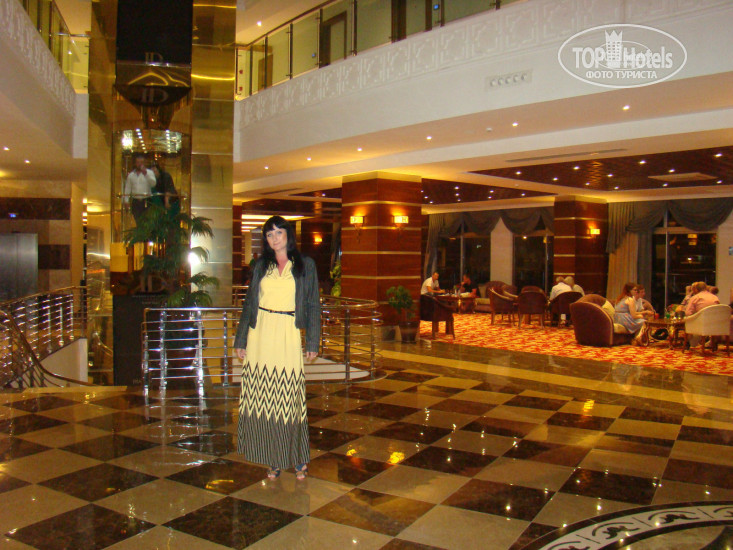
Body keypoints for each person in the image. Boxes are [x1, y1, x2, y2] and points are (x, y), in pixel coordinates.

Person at [233, 216, 320, 481]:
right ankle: (273, 458)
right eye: (269, 235)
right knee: (263, 398)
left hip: (287, 331)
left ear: (288, 235)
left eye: (278, 232)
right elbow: (250, 303)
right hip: (260, 332)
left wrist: (313, 341)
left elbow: (313, 304)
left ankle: (298, 457)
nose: (274, 238)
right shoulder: (262, 265)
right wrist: (241, 339)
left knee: (290, 397)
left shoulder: (305, 264)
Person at [122, 154, 156, 222]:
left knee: (147, 221)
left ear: (144, 163)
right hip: (135, 201)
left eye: (141, 162)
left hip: (146, 200)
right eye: (138, 162)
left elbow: (153, 184)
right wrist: (126, 201)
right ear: (135, 163)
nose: (140, 164)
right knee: (137, 220)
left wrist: (146, 174)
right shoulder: (131, 175)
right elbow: (128, 188)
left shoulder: (149, 173)